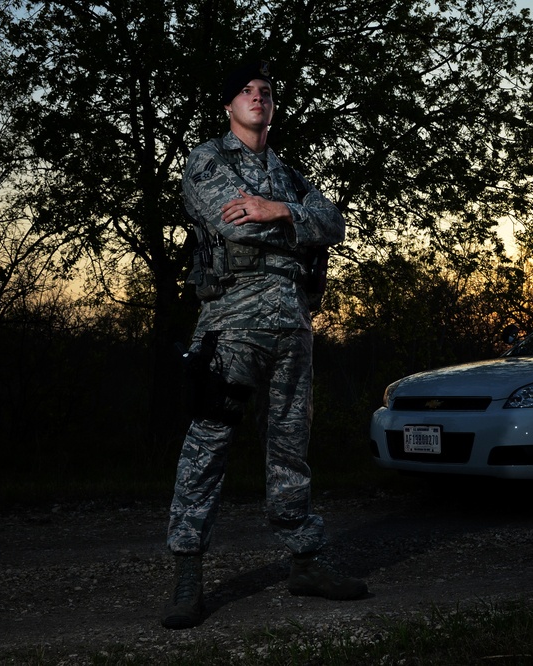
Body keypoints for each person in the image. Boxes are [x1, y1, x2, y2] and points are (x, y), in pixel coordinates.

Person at [161, 61, 367, 630]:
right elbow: (235, 227)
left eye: (266, 91)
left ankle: (305, 560)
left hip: (291, 323)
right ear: (229, 106)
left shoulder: (287, 174)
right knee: (208, 444)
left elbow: (335, 222)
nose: (257, 97)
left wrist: (279, 208)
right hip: (231, 325)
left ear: (273, 107)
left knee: (290, 448)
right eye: (246, 91)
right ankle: (187, 572)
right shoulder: (208, 160)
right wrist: (296, 227)